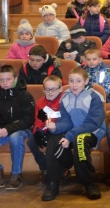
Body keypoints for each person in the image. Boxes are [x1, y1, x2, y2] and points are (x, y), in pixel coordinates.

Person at [41, 67, 106, 201]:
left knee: (80, 140)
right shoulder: (65, 97)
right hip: (72, 131)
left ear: (86, 81)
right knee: (54, 140)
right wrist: (55, 127)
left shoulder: (94, 97)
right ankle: (53, 182)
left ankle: (89, 183)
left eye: (78, 81)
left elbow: (93, 123)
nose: (74, 85)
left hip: (92, 132)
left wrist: (69, 136)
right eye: (71, 81)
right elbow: (66, 122)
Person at [0, 65, 35, 190]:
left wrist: (9, 129)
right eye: (1, 80)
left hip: (20, 129)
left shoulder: (25, 96)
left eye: (8, 79)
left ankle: (16, 174)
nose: (5, 83)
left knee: (15, 137)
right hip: (0, 129)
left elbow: (28, 120)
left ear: (15, 78)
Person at [28, 74, 63, 179]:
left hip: (59, 130)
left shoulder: (64, 101)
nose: (50, 92)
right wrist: (38, 131)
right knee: (31, 141)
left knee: (54, 144)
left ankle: (61, 170)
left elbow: (64, 120)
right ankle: (45, 168)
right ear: (43, 90)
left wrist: (54, 127)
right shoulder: (40, 102)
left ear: (60, 89)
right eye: (47, 89)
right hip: (45, 130)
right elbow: (38, 120)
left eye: (53, 89)